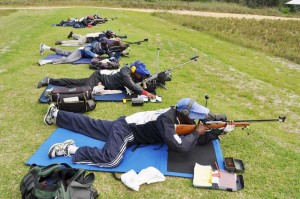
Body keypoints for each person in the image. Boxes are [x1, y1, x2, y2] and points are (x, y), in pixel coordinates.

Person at [44, 98, 235, 168]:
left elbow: (195, 135)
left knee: (91, 125)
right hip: (127, 131)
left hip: (126, 123)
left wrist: (219, 131)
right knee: (111, 159)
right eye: (194, 117)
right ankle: (70, 149)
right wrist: (197, 132)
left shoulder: (176, 115)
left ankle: (57, 113)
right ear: (183, 113)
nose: (195, 122)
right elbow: (181, 146)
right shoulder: (166, 121)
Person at [37, 60, 156, 99]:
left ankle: (49, 80)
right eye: (140, 75)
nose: (140, 77)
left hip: (102, 81)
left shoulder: (132, 74)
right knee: (85, 91)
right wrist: (146, 93)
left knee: (74, 82)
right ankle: (52, 93)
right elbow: (132, 85)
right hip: (99, 77)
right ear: (134, 70)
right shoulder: (126, 72)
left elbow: (140, 82)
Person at [38, 38, 125, 66]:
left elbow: (111, 56)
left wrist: (118, 52)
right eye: (106, 45)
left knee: (63, 52)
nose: (107, 46)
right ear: (102, 43)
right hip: (80, 52)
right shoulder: (94, 44)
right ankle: (46, 61)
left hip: (80, 53)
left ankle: (45, 47)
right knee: (68, 59)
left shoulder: (106, 47)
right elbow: (86, 50)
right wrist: (95, 55)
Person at [55, 30, 125, 46]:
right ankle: (61, 42)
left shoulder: (103, 34)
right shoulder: (103, 36)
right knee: (79, 42)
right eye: (111, 35)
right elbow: (103, 41)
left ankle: (73, 34)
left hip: (88, 36)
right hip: (87, 38)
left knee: (80, 37)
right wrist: (114, 40)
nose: (112, 36)